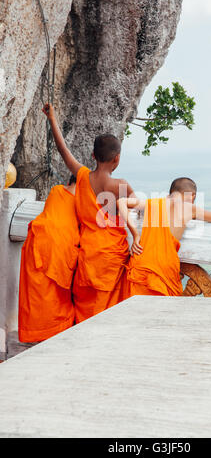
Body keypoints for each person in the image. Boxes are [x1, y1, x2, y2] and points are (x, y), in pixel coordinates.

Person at [42, 104, 135, 323]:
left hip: (86, 254)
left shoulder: (82, 176)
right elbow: (135, 206)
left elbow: (63, 149)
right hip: (110, 256)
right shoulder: (120, 185)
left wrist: (52, 118)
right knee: (106, 313)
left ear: (93, 155)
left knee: (84, 313)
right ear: (117, 159)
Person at [117, 177, 211, 297]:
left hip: (141, 264)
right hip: (164, 268)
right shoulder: (188, 208)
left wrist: (135, 234)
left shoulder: (153, 203)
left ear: (170, 193)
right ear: (192, 196)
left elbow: (121, 202)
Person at [18, 176, 80, 343]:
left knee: (37, 295)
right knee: (55, 298)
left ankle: (37, 333)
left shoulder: (56, 190)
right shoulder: (82, 200)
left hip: (38, 244)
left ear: (69, 181)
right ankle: (54, 331)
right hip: (60, 250)